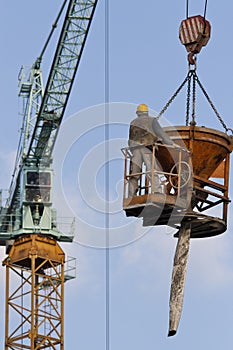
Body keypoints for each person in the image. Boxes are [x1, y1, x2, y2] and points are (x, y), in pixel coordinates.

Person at [128, 103, 175, 197]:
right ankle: (157, 191)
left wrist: (132, 149)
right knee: (151, 170)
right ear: (147, 112)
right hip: (147, 148)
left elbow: (130, 140)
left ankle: (131, 195)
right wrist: (171, 143)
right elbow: (161, 134)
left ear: (138, 113)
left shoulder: (133, 122)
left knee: (135, 173)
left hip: (136, 150)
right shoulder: (152, 120)